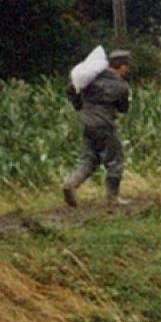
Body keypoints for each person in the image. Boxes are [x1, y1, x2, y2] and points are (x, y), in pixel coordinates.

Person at [63, 48, 132, 206]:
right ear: (122, 67)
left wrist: (79, 106)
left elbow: (71, 89)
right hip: (105, 124)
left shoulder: (91, 80)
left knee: (89, 159)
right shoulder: (121, 86)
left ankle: (71, 184)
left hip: (87, 122)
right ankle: (113, 197)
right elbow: (123, 108)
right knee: (115, 159)